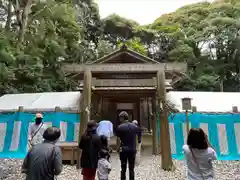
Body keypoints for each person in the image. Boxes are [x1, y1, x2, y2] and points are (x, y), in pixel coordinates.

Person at [116, 111, 142, 180]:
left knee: (123, 168)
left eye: (119, 117)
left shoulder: (120, 127)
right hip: (132, 149)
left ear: (122, 118)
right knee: (131, 168)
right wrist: (136, 148)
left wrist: (118, 148)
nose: (119, 119)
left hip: (123, 149)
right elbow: (136, 138)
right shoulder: (134, 126)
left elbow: (118, 140)